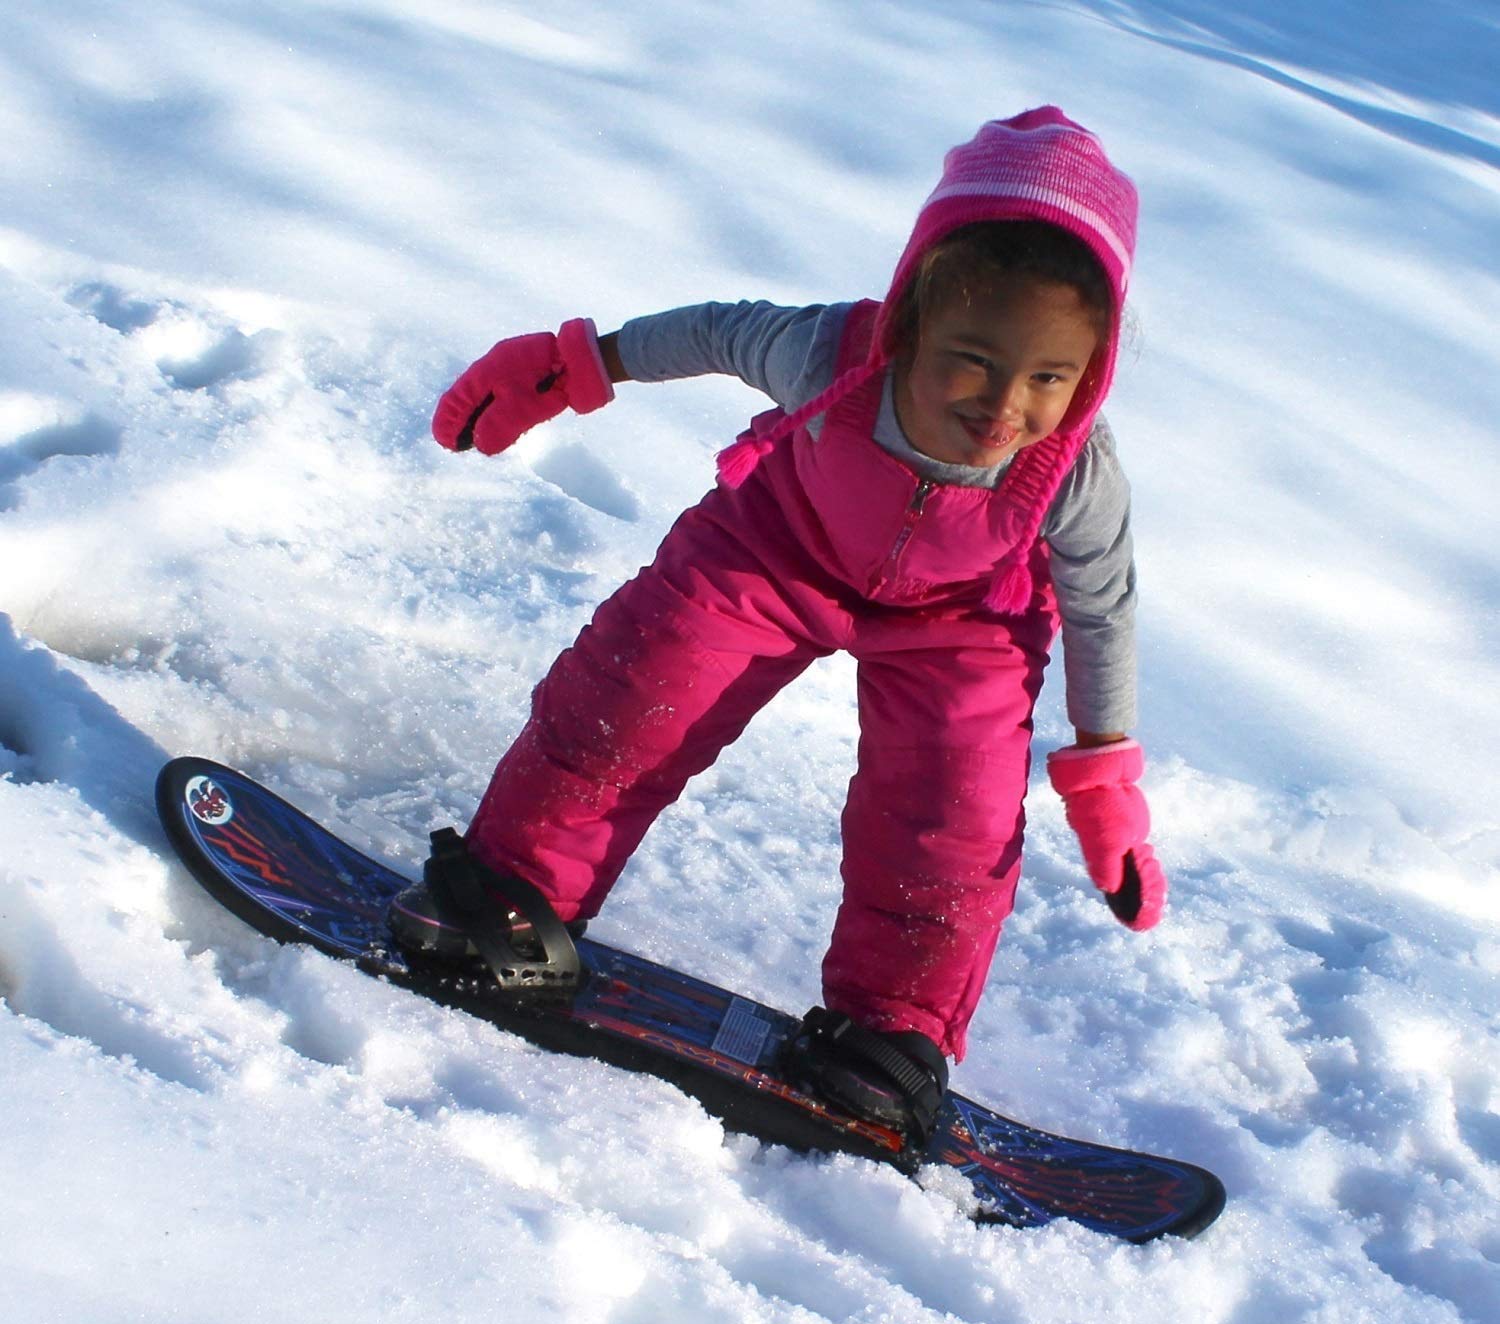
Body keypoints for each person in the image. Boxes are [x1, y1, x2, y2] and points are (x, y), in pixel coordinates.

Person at [390, 107, 1166, 1146]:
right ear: (910, 321)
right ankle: (515, 892)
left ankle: (890, 1034)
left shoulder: (1071, 467)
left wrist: (1104, 772)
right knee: (632, 697)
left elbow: (1101, 606)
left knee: (951, 820)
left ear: (1089, 373)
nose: (1004, 407)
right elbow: (710, 329)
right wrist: (578, 364)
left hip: (962, 626)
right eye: (973, 360)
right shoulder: (827, 351)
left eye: (1049, 378)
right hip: (775, 546)